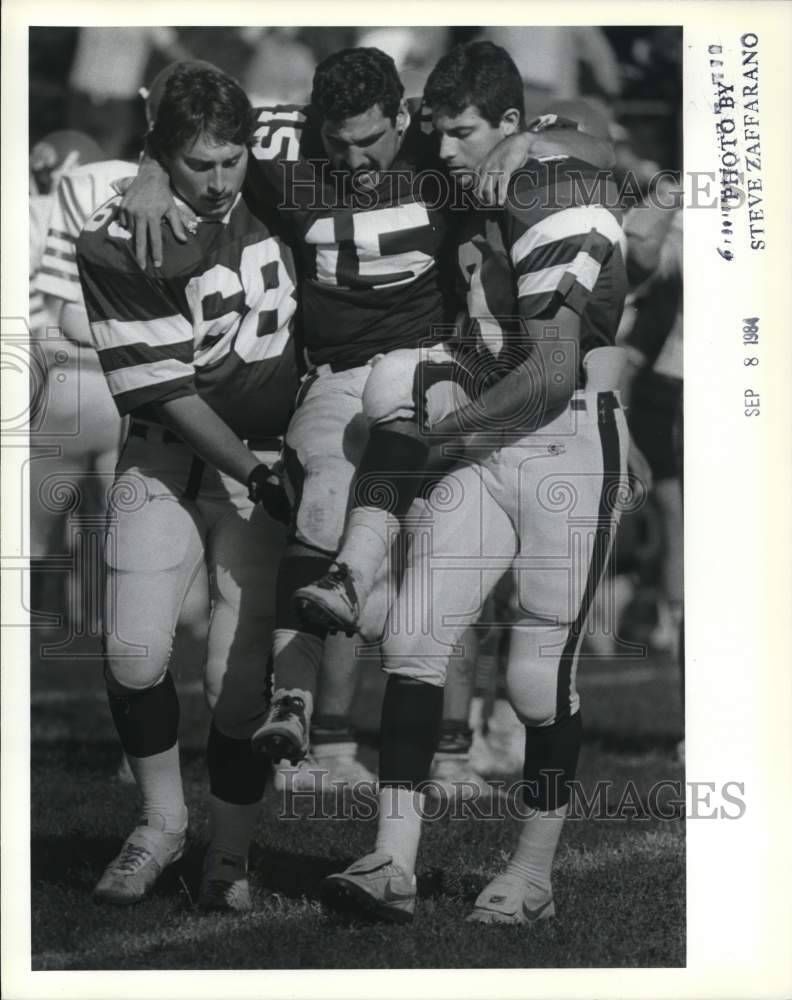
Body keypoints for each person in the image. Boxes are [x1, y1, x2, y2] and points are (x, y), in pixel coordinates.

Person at [307, 42, 630, 924]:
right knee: (413, 641)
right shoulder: (472, 169)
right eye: (439, 130)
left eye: (465, 132)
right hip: (492, 439)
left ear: (511, 129)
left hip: (563, 442)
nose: (444, 150)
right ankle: (391, 862)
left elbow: (552, 374)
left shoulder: (559, 189)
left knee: (535, 678)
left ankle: (531, 875)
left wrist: (436, 440)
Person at [76, 62, 299, 911]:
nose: (217, 182)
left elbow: (392, 120)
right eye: (195, 164)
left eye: (230, 162)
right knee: (133, 654)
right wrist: (255, 473)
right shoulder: (118, 233)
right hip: (177, 452)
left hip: (271, 445)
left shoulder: (278, 155)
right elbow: (166, 389)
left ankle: (230, 854)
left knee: (238, 682)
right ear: (164, 155)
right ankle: (162, 824)